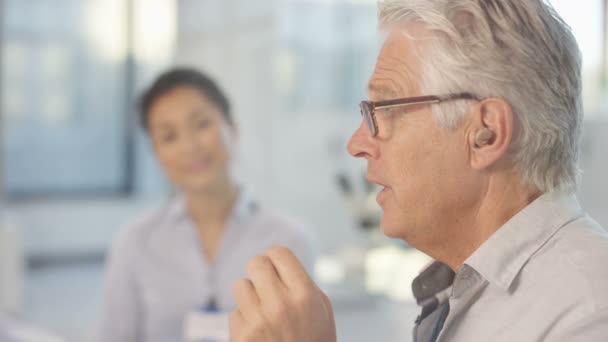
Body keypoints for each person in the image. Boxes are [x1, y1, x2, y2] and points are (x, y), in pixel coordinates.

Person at [229, 1, 608, 341]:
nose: (357, 143)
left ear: (485, 133)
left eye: (384, 110)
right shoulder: (463, 294)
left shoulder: (589, 313)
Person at [95, 68, 314, 342]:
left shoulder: (287, 239)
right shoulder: (135, 241)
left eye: (201, 124)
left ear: (232, 128)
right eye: (169, 136)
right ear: (157, 154)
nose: (189, 146)